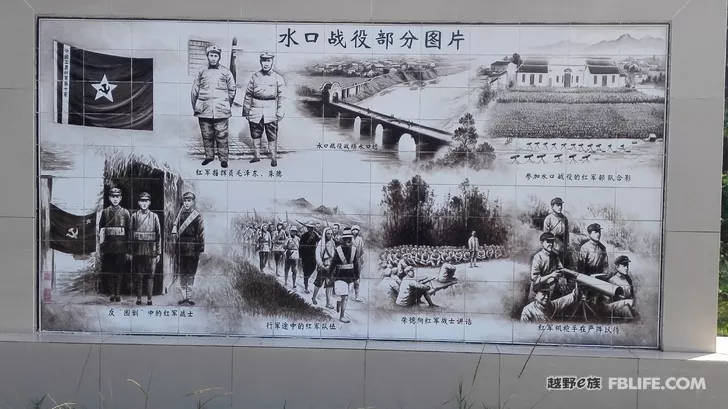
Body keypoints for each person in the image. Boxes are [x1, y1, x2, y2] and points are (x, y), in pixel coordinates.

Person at [191, 44, 236, 168]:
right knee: (207, 135)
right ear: (208, 56)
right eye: (211, 55)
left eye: (216, 56)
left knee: (222, 135)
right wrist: (196, 106)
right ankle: (209, 157)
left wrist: (227, 104)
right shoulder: (201, 71)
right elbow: (195, 90)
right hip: (204, 109)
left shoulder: (226, 72)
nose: (213, 58)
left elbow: (232, 90)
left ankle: (223, 159)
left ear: (219, 57)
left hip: (221, 109)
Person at [243, 51, 285, 167]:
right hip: (255, 109)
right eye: (264, 61)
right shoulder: (254, 77)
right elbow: (248, 95)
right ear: (260, 62)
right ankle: (257, 156)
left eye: (268, 61)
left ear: (272, 61)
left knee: (272, 135)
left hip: (271, 109)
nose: (266, 64)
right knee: (255, 134)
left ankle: (273, 158)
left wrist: (280, 112)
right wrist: (246, 111)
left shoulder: (278, 78)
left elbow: (282, 97)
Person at [172, 192, 205, 306]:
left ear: (193, 202)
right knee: (182, 273)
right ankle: (184, 297)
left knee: (191, 273)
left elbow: (201, 233)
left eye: (189, 201)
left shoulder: (197, 216)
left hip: (192, 248)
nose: (186, 203)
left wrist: (200, 248)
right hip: (181, 247)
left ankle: (189, 297)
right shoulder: (179, 216)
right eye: (185, 200)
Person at [98, 187, 131, 303]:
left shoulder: (125, 213)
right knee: (110, 271)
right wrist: (101, 247)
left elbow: (129, 232)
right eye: (113, 197)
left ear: (121, 198)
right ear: (109, 198)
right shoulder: (105, 212)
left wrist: (128, 249)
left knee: (119, 271)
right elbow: (101, 230)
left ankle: (117, 293)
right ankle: (112, 293)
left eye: (117, 197)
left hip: (121, 247)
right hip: (109, 247)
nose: (115, 199)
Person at [130, 192, 161, 306]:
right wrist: (131, 251)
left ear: (149, 202)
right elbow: (130, 235)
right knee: (139, 276)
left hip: (151, 251)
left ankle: (149, 299)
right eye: (142, 201)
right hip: (138, 251)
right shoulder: (134, 216)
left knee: (151, 276)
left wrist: (158, 253)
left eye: (146, 201)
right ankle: (138, 298)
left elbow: (158, 236)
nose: (144, 203)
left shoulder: (154, 216)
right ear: (138, 202)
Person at [328, 228, 359, 323]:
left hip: (350, 277)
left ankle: (339, 303)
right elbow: (333, 263)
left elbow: (356, 264)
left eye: (349, 238)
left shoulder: (354, 249)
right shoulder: (338, 250)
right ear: (343, 239)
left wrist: (357, 278)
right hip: (340, 276)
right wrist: (329, 275)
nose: (348, 240)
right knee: (344, 296)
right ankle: (342, 316)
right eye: (346, 238)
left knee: (345, 296)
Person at [529, 232, 566, 300]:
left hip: (551, 291)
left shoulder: (555, 256)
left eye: (552, 242)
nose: (551, 244)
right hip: (538, 293)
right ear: (542, 243)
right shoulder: (538, 257)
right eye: (548, 242)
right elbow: (535, 279)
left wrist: (562, 278)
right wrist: (551, 275)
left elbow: (560, 269)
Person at [543, 197, 570, 266]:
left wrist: (566, 245)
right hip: (552, 247)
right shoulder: (548, 218)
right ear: (552, 207)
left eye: (561, 205)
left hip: (562, 247)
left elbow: (566, 234)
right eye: (558, 205)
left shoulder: (564, 218)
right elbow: (546, 235)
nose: (560, 207)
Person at [313, 227, 336, 308]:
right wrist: (321, 265)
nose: (330, 235)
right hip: (323, 266)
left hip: (330, 267)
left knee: (329, 285)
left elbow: (334, 254)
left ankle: (328, 303)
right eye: (328, 234)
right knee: (318, 283)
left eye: (331, 234)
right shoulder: (321, 243)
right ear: (325, 234)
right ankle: (314, 297)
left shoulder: (332, 243)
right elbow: (317, 255)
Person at [298, 222, 320, 294]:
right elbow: (300, 246)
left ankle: (306, 279)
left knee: (313, 268)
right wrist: (300, 256)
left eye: (311, 228)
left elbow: (320, 240)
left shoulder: (315, 235)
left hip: (313, 255)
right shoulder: (304, 236)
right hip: (305, 255)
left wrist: (318, 233)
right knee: (305, 270)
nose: (310, 229)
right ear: (307, 228)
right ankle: (306, 286)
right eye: (309, 227)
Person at [351, 225, 365, 302]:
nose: (355, 231)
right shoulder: (349, 238)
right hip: (350, 260)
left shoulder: (360, 239)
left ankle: (357, 296)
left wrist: (362, 259)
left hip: (357, 261)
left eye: (356, 230)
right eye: (353, 230)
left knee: (357, 279)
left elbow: (362, 250)